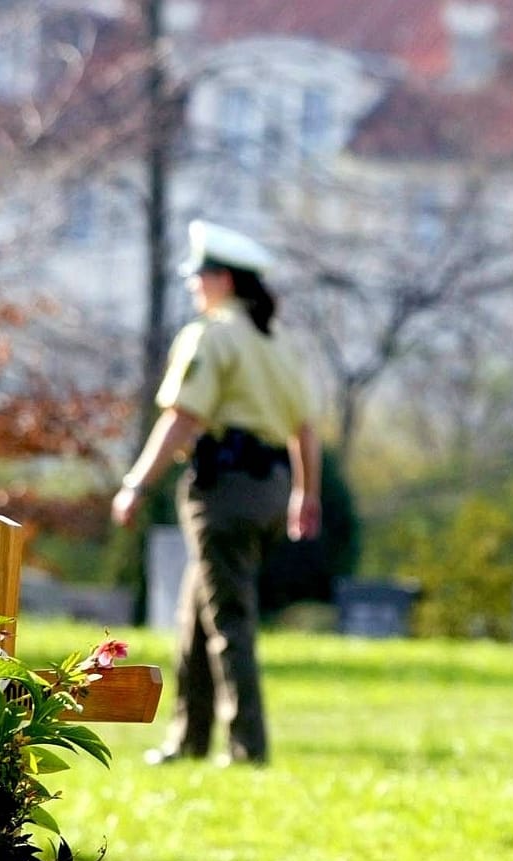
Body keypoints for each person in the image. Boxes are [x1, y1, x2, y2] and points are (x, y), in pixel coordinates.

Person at [111, 220, 322, 767]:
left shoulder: (210, 335)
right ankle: (188, 739)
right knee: (195, 615)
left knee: (229, 620)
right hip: (271, 488)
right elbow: (306, 428)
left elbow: (183, 418)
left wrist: (136, 483)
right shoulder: (273, 342)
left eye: (197, 275)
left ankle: (248, 747)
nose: (191, 285)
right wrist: (305, 493)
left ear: (222, 279)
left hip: (225, 491)